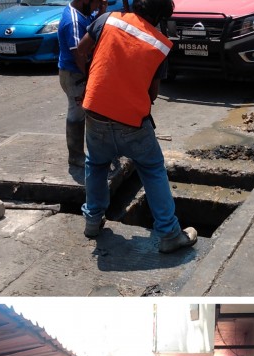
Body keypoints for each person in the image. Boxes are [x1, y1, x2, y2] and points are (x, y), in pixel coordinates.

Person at [75, 0, 198, 253]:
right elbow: (152, 93)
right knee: (152, 170)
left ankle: (92, 222)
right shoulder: (160, 44)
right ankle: (169, 234)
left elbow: (80, 50)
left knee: (96, 165)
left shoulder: (107, 19)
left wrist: (93, 78)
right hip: (132, 123)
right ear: (161, 18)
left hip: (95, 112)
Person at [57, 0, 106, 169]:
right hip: (74, 73)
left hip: (75, 72)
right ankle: (75, 155)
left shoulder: (82, 13)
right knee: (76, 112)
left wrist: (100, 11)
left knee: (84, 110)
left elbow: (91, 22)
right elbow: (79, 53)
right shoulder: (73, 21)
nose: (96, 7)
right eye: (95, 3)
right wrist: (89, 76)